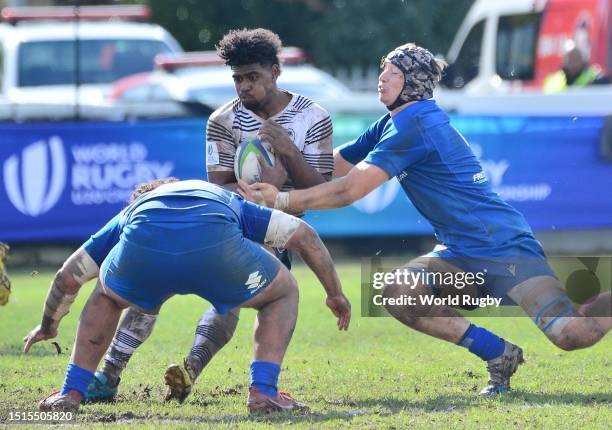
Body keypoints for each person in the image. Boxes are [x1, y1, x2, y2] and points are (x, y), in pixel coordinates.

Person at [241, 43, 612, 396]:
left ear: (412, 82)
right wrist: (286, 161)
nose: (381, 79)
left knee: (571, 334)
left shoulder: (414, 123)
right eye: (381, 71)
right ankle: (499, 354)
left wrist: (284, 198)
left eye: (391, 73)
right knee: (398, 292)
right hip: (459, 253)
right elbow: (333, 164)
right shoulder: (395, 120)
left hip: (504, 247)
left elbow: (348, 190)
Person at [86, 28, 335, 403]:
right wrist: (253, 192)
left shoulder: (313, 117)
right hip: (229, 224)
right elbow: (218, 187)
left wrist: (289, 153)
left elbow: (320, 190)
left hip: (277, 228)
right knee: (153, 281)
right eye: (238, 79)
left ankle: (159, 371)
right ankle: (116, 373)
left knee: (230, 297)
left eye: (253, 77)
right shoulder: (222, 120)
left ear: (275, 71)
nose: (244, 87)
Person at [24, 179, 350, 413]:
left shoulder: (134, 211)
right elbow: (304, 235)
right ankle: (263, 392)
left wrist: (48, 325)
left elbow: (68, 277)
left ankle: (72, 391)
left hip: (144, 247)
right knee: (282, 292)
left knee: (107, 296)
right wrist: (334, 294)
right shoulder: (221, 197)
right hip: (216, 244)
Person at [543, 39, 609, 93]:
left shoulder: (596, 78)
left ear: (582, 59)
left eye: (576, 57)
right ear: (564, 60)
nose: (573, 61)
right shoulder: (554, 81)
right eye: (570, 57)